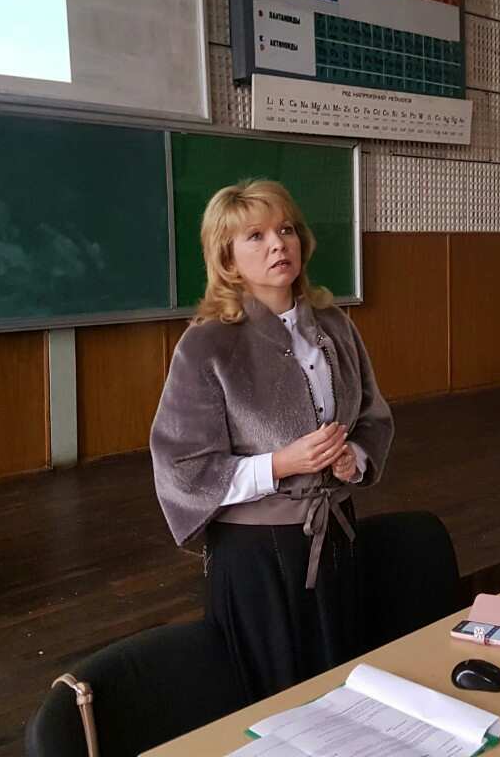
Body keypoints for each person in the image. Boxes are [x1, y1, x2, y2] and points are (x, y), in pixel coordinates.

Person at [150, 179, 393, 703]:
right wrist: (279, 464)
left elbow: (373, 417)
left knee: (341, 685)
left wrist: (354, 458)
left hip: (337, 535)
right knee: (274, 699)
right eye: (255, 236)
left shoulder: (334, 325)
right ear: (228, 259)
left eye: (285, 230)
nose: (278, 245)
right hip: (257, 556)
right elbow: (182, 468)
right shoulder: (206, 344)